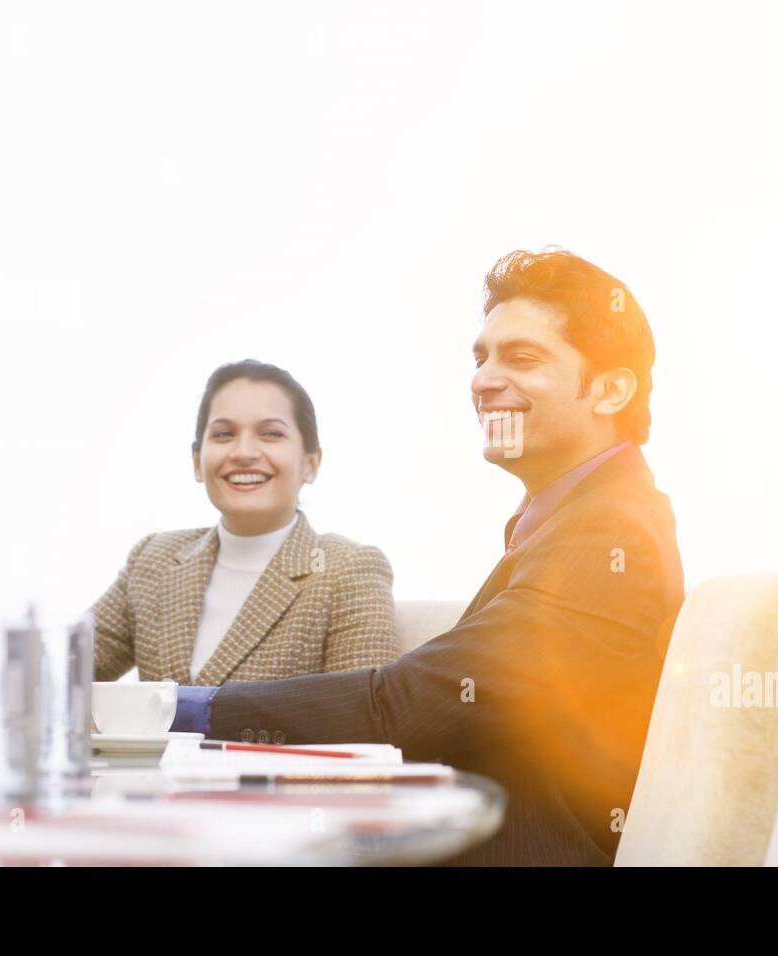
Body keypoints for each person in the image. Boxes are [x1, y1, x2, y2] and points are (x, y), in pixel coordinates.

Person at [173, 250, 684, 865]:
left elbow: (411, 705)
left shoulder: (610, 533)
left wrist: (177, 709)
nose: (483, 380)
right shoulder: (578, 520)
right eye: (481, 357)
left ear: (609, 389)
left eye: (522, 358)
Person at [91, 360, 400, 688]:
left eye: (271, 433)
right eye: (224, 434)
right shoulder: (154, 559)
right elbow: (56, 669)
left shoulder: (348, 570)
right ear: (197, 463)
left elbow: (361, 718)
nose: (244, 452)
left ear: (310, 464)